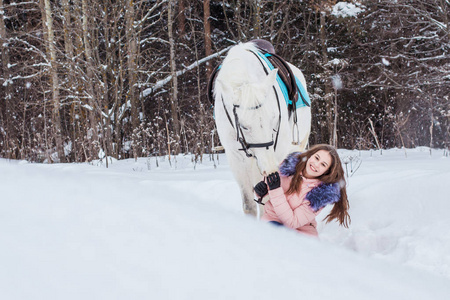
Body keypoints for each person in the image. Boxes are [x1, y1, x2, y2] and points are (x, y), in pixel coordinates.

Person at [254, 144, 350, 237]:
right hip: (272, 221)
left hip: (301, 233)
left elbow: (293, 222)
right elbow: (268, 186)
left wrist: (275, 190)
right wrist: (260, 191)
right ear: (310, 155)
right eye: (316, 158)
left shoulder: (319, 194)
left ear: (327, 172)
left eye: (323, 164)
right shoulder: (288, 167)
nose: (316, 164)